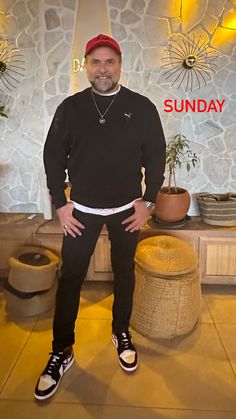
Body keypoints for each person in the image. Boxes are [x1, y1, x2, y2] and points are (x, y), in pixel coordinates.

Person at [34, 33, 166, 401]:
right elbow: (53, 157)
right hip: (82, 212)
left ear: (120, 65)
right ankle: (62, 350)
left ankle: (120, 331)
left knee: (125, 272)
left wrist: (148, 201)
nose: (103, 68)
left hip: (127, 210)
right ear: (86, 66)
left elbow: (156, 154)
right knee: (71, 277)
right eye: (96, 62)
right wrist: (60, 203)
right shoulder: (71, 108)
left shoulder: (141, 107)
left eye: (110, 62)